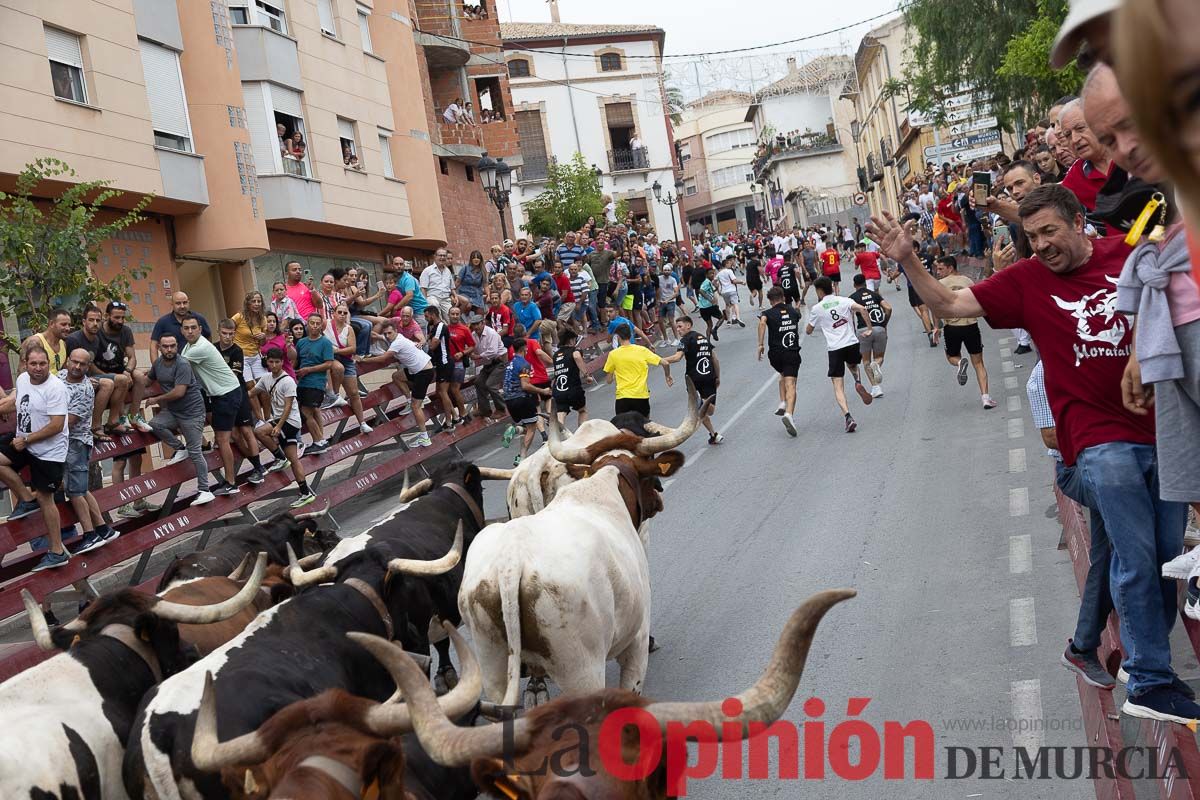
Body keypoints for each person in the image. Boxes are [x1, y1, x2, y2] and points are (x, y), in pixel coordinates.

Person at [868, 185, 1199, 723]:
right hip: (1095, 439)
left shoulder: (1130, 254)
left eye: (1049, 231)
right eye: (1031, 236)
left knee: (1162, 558)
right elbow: (953, 304)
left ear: (1079, 222)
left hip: (1163, 433)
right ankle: (1150, 679)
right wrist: (907, 260)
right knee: (1135, 556)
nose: (1041, 244)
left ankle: (1145, 664)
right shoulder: (1025, 282)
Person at [0, 346, 71, 570]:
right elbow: (17, 402)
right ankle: (25, 498)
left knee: (45, 498)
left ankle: (57, 550)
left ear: (47, 363)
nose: (38, 368)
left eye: (42, 364)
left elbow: (58, 425)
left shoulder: (56, 388)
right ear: (25, 363)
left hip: (50, 449)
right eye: (33, 364)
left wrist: (28, 439)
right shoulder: (22, 379)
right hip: (24, 440)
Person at [183, 316, 265, 492]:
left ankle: (232, 482)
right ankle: (245, 472)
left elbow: (178, 365)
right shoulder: (191, 346)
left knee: (226, 438)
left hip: (228, 394)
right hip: (221, 394)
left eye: (193, 328)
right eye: (186, 328)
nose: (189, 331)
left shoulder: (201, 348)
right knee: (231, 436)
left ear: (200, 330)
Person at [146, 334, 215, 507]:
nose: (169, 349)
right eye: (165, 346)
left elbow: (179, 392)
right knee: (155, 424)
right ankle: (179, 448)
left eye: (172, 346)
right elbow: (147, 380)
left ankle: (205, 490)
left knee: (195, 451)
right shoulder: (158, 364)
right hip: (174, 411)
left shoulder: (183, 363)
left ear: (177, 346)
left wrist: (156, 399)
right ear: (159, 348)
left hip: (193, 412)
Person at [60, 348, 118, 554]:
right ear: (67, 361)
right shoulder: (57, 377)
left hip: (76, 442)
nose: (76, 366)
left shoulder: (85, 390)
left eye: (82, 364)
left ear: (88, 367)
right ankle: (103, 528)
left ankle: (89, 534)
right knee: (82, 489)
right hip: (66, 443)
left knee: (74, 491)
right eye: (74, 362)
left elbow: (67, 423)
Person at [805, 277, 874, 433]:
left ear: (820, 291)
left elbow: (808, 330)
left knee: (837, 385)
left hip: (835, 348)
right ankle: (857, 381)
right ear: (831, 287)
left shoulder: (817, 308)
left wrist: (810, 329)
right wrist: (869, 328)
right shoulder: (845, 300)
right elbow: (863, 309)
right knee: (853, 365)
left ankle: (848, 416)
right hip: (851, 342)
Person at [251, 347, 318, 508]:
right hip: (281, 420)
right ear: (266, 362)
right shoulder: (266, 378)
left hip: (290, 421)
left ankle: (279, 457)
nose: (273, 365)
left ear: (282, 362)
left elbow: (288, 406)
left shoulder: (287, 381)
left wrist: (278, 426)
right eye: (271, 362)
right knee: (294, 460)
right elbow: (252, 392)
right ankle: (305, 492)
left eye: (277, 362)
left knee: (259, 431)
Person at [933, 257, 997, 409]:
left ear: (950, 268)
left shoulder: (939, 285)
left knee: (951, 356)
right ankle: (986, 398)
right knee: (979, 363)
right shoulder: (968, 281)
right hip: (971, 325)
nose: (938, 272)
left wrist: (936, 327)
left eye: (941, 269)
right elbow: (978, 300)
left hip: (951, 328)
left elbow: (935, 307)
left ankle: (960, 363)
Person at [356, 324, 435, 448]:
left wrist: (363, 360)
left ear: (396, 332)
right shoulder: (398, 337)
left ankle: (424, 437)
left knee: (416, 407)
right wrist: (372, 334)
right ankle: (409, 400)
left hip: (423, 372)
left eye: (389, 333)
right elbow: (381, 336)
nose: (387, 336)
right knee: (397, 376)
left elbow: (383, 358)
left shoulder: (397, 343)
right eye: (386, 333)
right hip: (419, 369)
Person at [663, 315, 723, 444]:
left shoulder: (685, 340)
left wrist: (657, 360)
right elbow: (715, 359)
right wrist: (717, 376)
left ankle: (700, 402)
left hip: (693, 380)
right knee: (707, 410)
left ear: (688, 325)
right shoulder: (703, 338)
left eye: (680, 326)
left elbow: (677, 357)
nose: (678, 330)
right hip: (709, 377)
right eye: (676, 327)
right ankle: (713, 434)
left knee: (702, 409)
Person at [65, 304, 120, 439]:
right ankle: (95, 426)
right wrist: (86, 380)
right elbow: (67, 366)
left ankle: (114, 421)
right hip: (75, 381)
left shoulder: (96, 340)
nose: (95, 324)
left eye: (98, 320)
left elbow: (91, 365)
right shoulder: (74, 339)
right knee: (108, 384)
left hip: (90, 377)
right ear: (84, 322)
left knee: (122, 380)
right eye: (91, 320)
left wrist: (105, 375)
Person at [756, 287, 803, 436]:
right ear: (783, 297)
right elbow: (797, 314)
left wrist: (760, 344)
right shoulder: (792, 311)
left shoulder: (768, 313)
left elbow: (762, 322)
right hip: (791, 352)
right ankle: (789, 413)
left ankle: (782, 402)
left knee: (782, 374)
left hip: (775, 355)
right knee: (791, 383)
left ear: (770, 301)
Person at [603, 323, 672, 417]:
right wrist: (667, 376)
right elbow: (665, 363)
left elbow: (609, 381)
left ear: (618, 337)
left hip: (623, 398)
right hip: (641, 397)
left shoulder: (613, 354)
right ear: (631, 335)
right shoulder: (642, 350)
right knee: (644, 427)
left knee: (624, 429)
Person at [502, 338, 551, 466]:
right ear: (525, 348)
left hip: (509, 400)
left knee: (525, 428)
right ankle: (523, 456)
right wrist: (542, 391)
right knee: (532, 427)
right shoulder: (524, 364)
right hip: (521, 398)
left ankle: (519, 452)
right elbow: (525, 385)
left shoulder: (510, 365)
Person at [325, 303, 373, 434]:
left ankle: (362, 423)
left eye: (345, 313)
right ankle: (334, 395)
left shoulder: (349, 329)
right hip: (332, 359)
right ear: (333, 313)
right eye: (339, 312)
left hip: (345, 359)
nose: (342, 315)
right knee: (338, 368)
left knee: (354, 393)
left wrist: (337, 350)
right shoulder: (326, 324)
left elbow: (353, 348)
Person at [294, 313, 335, 455]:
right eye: (312, 323)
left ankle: (318, 441)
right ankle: (321, 440)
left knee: (306, 413)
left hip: (316, 383)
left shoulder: (325, 343)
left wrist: (309, 370)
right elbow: (297, 361)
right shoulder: (301, 342)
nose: (315, 326)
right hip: (302, 383)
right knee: (308, 412)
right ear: (308, 324)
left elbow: (329, 364)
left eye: (318, 323)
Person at [848, 274, 892, 399]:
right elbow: (888, 308)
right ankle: (877, 364)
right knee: (879, 357)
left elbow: (849, 316)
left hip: (863, 331)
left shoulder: (852, 298)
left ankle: (876, 388)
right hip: (879, 329)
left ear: (854, 284)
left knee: (866, 361)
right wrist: (883, 324)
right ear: (865, 284)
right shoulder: (875, 295)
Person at [424, 305, 464, 431]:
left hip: (445, 362)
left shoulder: (441, 326)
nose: (426, 319)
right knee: (439, 392)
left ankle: (449, 421)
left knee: (443, 392)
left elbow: (432, 345)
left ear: (433, 314)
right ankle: (455, 416)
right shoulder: (431, 327)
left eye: (427, 316)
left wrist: (427, 342)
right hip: (440, 363)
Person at [151, 292, 211, 363]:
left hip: (198, 365)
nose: (182, 306)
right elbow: (154, 346)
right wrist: (156, 368)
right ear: (172, 304)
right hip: (173, 366)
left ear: (188, 302)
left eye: (185, 302)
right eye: (178, 303)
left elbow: (208, 338)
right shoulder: (163, 322)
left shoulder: (199, 318)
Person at [550, 328, 593, 428]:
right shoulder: (574, 350)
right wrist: (587, 375)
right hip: (573, 389)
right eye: (574, 339)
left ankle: (558, 434)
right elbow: (577, 356)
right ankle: (581, 435)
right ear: (570, 340)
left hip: (559, 390)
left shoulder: (556, 355)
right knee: (582, 411)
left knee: (561, 413)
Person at [468, 313, 507, 419]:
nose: (476, 327)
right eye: (474, 325)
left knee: (491, 385)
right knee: (478, 382)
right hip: (487, 363)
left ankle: (501, 409)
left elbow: (493, 352)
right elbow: (472, 347)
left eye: (478, 324)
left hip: (499, 362)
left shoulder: (492, 333)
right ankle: (484, 409)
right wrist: (470, 353)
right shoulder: (473, 335)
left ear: (483, 323)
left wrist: (478, 356)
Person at [420, 248, 457, 321]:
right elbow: (423, 288)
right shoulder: (427, 270)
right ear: (435, 256)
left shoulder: (448, 271)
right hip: (432, 297)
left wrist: (455, 296)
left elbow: (452, 287)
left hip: (446, 299)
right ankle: (439, 327)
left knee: (452, 318)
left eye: (444, 256)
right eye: (440, 255)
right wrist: (425, 303)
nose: (442, 257)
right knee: (435, 306)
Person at [715, 256, 746, 328]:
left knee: (727, 305)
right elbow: (734, 280)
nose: (730, 264)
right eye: (729, 263)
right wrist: (742, 282)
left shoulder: (719, 273)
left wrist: (717, 288)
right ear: (726, 264)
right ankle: (738, 318)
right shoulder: (729, 271)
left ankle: (729, 320)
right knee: (735, 304)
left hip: (724, 291)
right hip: (731, 290)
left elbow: (714, 281)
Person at [697, 266, 724, 342]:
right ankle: (715, 330)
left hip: (703, 307)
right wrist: (709, 299)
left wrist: (716, 287)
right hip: (709, 306)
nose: (712, 275)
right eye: (710, 274)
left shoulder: (709, 282)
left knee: (709, 325)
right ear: (706, 275)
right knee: (722, 317)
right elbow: (701, 291)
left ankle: (708, 342)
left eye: (713, 273)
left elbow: (711, 291)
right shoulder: (706, 282)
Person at [655, 264, 680, 345]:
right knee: (660, 321)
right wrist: (658, 300)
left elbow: (676, 293)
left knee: (671, 320)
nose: (666, 271)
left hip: (671, 302)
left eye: (668, 270)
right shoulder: (658, 279)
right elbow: (656, 288)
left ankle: (677, 339)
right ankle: (666, 339)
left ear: (671, 271)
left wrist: (668, 299)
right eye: (665, 270)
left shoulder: (673, 280)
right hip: (661, 303)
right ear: (662, 270)